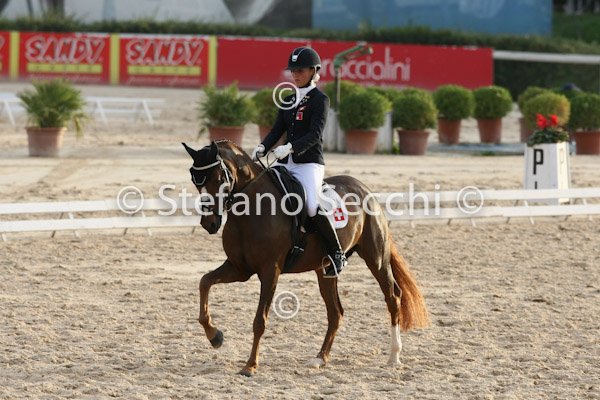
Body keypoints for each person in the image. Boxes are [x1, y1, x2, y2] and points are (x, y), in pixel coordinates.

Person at [251, 47, 347, 278]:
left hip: (309, 163)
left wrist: (290, 147)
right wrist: (263, 146)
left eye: (300, 70)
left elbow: (315, 134)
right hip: (285, 161)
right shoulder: (288, 99)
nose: (295, 75)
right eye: (293, 71)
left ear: (313, 71)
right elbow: (277, 130)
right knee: (263, 189)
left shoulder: (320, 100)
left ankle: (336, 253)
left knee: (311, 205)